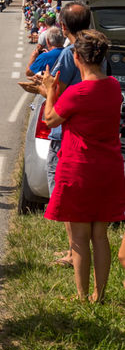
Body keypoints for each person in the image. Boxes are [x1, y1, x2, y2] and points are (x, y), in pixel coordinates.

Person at [38, 29, 125, 302]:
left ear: (76, 58)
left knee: (79, 236)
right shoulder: (113, 86)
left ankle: (82, 294)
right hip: (108, 167)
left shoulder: (77, 92)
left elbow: (50, 119)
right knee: (100, 234)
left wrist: (50, 90)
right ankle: (99, 294)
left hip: (79, 167)